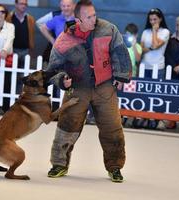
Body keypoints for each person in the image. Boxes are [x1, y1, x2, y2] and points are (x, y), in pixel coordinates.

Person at [46, 0, 131, 182]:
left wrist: (122, 75)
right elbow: (53, 68)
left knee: (112, 128)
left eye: (94, 14)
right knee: (67, 126)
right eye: (89, 17)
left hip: (105, 86)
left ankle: (115, 167)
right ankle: (59, 165)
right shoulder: (64, 39)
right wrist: (62, 81)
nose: (94, 19)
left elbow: (120, 52)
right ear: (78, 19)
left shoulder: (109, 29)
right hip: (77, 89)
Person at [139, 8, 170, 130]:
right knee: (144, 93)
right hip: (145, 65)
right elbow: (142, 49)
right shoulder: (145, 32)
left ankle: (155, 118)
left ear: (160, 19)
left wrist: (154, 31)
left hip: (158, 66)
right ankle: (143, 117)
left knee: (156, 95)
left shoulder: (165, 32)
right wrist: (151, 47)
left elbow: (156, 45)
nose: (152, 22)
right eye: (151, 19)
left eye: (155, 19)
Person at [6, 0, 35, 94]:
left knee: (23, 75)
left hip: (25, 50)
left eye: (25, 4)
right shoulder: (9, 18)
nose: (24, 6)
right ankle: (10, 95)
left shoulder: (30, 18)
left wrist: (31, 48)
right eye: (21, 3)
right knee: (11, 75)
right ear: (16, 4)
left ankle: (18, 95)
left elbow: (31, 35)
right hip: (13, 50)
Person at [122, 23, 142, 127]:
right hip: (121, 76)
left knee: (129, 98)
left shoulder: (138, 46)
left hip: (132, 77)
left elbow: (138, 59)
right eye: (127, 35)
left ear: (136, 36)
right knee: (120, 97)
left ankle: (129, 118)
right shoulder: (121, 44)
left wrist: (134, 45)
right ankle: (120, 117)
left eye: (131, 35)